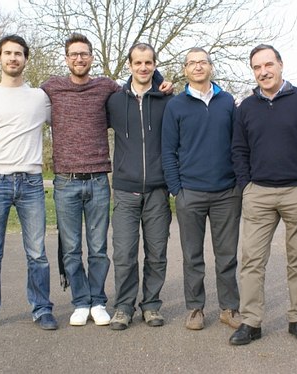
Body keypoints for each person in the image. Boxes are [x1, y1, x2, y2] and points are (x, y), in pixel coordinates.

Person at [41, 33, 172, 327]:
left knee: (124, 250)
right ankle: (99, 303)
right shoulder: (57, 88)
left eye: (148, 63)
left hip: (119, 182)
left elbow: (149, 83)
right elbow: (22, 95)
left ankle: (135, 304)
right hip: (90, 183)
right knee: (96, 250)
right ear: (67, 58)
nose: (79, 59)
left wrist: (163, 81)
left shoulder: (115, 91)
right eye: (74, 54)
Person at [0, 34, 57, 333]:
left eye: (18, 53)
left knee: (37, 254)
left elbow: (69, 118)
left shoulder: (40, 97)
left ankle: (42, 309)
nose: (13, 58)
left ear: (26, 59)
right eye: (7, 53)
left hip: (31, 183)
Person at [229, 44, 297, 345]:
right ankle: (251, 322)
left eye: (269, 65)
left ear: (281, 65)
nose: (263, 72)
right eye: (257, 67)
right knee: (252, 259)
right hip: (259, 193)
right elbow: (239, 149)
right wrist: (246, 185)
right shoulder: (246, 108)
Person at [161, 47, 242, 331]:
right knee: (193, 256)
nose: (198, 67)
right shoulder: (176, 105)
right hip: (190, 193)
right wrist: (176, 189)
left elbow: (238, 145)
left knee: (227, 255)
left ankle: (230, 308)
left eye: (203, 62)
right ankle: (195, 309)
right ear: (185, 70)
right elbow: (168, 150)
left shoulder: (227, 102)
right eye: (192, 63)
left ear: (211, 67)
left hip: (226, 193)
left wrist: (239, 185)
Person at [105, 43, 173, 330]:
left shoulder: (169, 100)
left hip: (158, 190)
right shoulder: (114, 101)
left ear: (155, 65)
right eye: (138, 63)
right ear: (129, 65)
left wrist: (162, 84)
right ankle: (123, 307)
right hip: (124, 189)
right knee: (124, 253)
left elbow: (202, 89)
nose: (143, 67)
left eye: (148, 63)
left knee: (157, 252)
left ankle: (152, 305)